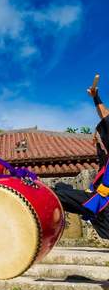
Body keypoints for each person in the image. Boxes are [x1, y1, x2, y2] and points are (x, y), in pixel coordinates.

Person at [53, 83, 109, 238]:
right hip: (98, 201)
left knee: (57, 194)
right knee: (60, 187)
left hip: (103, 205)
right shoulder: (105, 161)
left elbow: (105, 115)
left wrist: (95, 97)